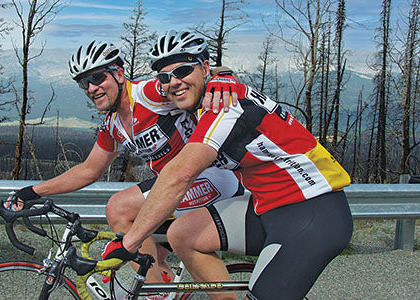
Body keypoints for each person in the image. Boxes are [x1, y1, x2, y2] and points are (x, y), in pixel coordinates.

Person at [102, 30, 354, 300]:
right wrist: (224, 73)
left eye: (183, 70)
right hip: (266, 207)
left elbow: (180, 174)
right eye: (165, 77)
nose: (173, 82)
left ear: (205, 68)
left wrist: (129, 243)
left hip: (311, 211)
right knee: (184, 235)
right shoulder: (211, 96)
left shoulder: (224, 105)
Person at [9, 40, 244, 298]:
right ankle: (161, 286)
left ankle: (156, 294)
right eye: (84, 83)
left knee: (119, 208)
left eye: (98, 77)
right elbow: (89, 170)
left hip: (211, 177)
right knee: (143, 252)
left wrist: (224, 75)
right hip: (180, 189)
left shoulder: (148, 94)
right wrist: (30, 192)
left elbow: (189, 76)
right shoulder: (113, 125)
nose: (91, 88)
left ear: (119, 74)